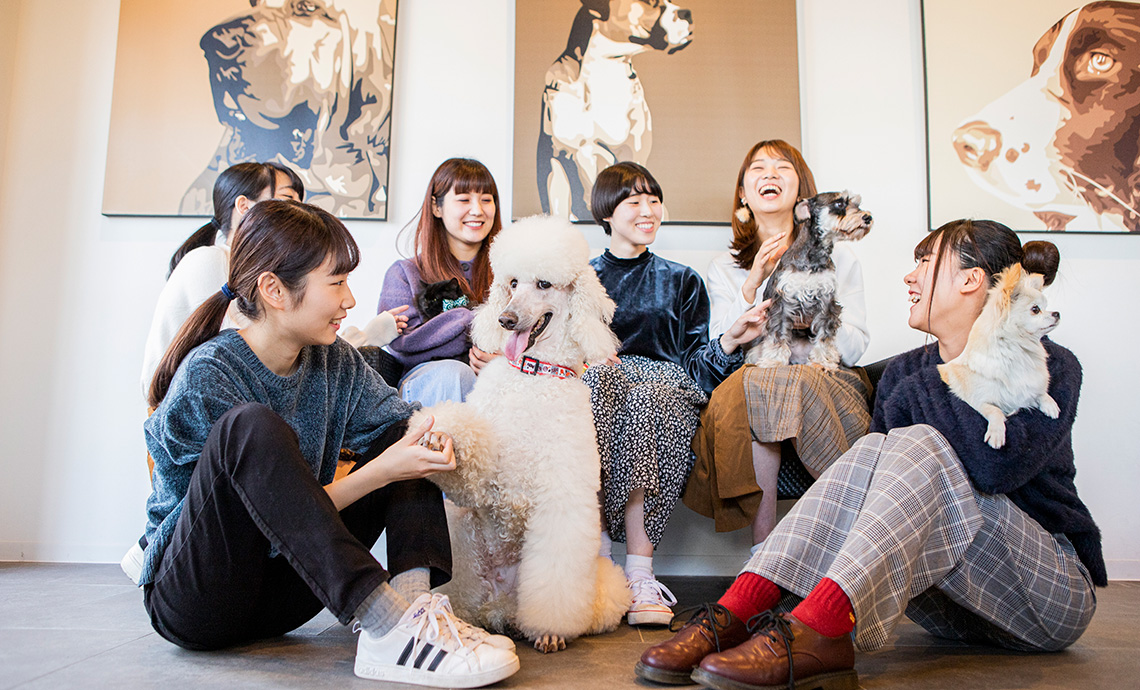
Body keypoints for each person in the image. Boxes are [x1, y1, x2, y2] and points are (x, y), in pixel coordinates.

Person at [637, 220, 1105, 690]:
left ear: (970, 279)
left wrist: (946, 370)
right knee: (876, 448)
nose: (911, 276)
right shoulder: (907, 371)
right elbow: (877, 496)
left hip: (1046, 599)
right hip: (950, 608)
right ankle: (740, 608)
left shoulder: (1047, 363)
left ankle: (821, 630)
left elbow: (994, 466)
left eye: (925, 262)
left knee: (915, 443)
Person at [125, 200, 519, 687]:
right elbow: (259, 527)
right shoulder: (210, 374)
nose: (350, 300)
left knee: (406, 431)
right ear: (274, 290)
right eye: (336, 283)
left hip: (284, 595)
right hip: (196, 596)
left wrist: (425, 441)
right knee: (251, 426)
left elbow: (404, 432)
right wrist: (378, 473)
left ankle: (417, 615)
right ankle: (386, 621)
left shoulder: (335, 361)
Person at [584, 163, 768, 627]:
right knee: (595, 384)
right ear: (606, 212)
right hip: (603, 379)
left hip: (667, 382)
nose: (648, 211)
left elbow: (694, 365)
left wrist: (729, 341)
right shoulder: (580, 279)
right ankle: (595, 563)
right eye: (634, 201)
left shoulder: (682, 279)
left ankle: (640, 573)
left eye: (653, 200)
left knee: (650, 397)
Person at [683, 140, 871, 550]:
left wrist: (810, 320)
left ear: (804, 200)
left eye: (782, 167)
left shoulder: (844, 260)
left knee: (773, 385)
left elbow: (855, 347)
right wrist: (753, 281)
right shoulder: (724, 267)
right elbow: (721, 345)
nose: (769, 173)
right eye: (758, 168)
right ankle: (783, 549)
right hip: (753, 378)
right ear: (743, 195)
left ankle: (780, 549)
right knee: (763, 384)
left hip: (823, 375)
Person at [139, 162, 303, 398]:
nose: (299, 211)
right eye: (287, 199)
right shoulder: (210, 260)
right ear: (244, 207)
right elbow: (239, 353)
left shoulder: (259, 271)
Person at [378, 158, 503, 405]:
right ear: (437, 207)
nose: (478, 210)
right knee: (455, 374)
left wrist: (507, 360)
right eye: (464, 199)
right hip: (431, 385)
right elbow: (404, 344)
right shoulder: (404, 273)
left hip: (500, 385)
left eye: (486, 199)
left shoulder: (511, 275)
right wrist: (472, 320)